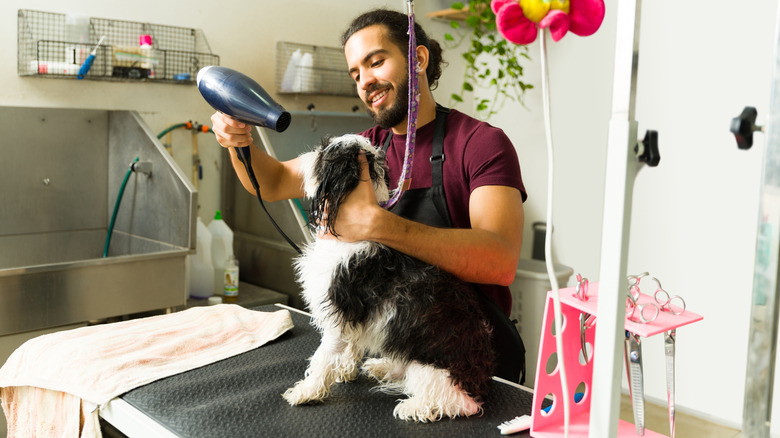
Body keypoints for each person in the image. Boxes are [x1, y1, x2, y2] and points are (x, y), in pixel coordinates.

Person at [210, 8, 528, 383]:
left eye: (375, 62)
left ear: (418, 58)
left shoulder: (480, 143)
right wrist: (237, 142)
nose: (365, 81)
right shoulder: (362, 151)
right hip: (397, 360)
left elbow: (500, 260)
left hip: (473, 367)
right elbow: (274, 181)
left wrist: (379, 224)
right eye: (356, 73)